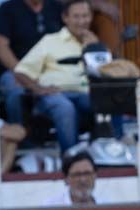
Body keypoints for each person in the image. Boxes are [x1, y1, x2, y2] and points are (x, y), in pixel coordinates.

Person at [14, 0, 98, 153]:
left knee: (107, 101)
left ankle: (110, 151)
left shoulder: (95, 43)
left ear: (91, 17)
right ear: (65, 18)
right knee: (64, 107)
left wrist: (93, 48)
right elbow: (21, 71)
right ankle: (71, 158)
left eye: (85, 16)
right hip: (54, 96)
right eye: (76, 17)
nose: (82, 21)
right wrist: (37, 88)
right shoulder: (50, 41)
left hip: (86, 94)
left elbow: (104, 76)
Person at [0, 0, 63, 126]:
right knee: (16, 94)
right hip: (14, 70)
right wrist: (22, 73)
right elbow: (0, 48)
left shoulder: (56, 7)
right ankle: (19, 136)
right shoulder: (7, 9)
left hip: (51, 70)